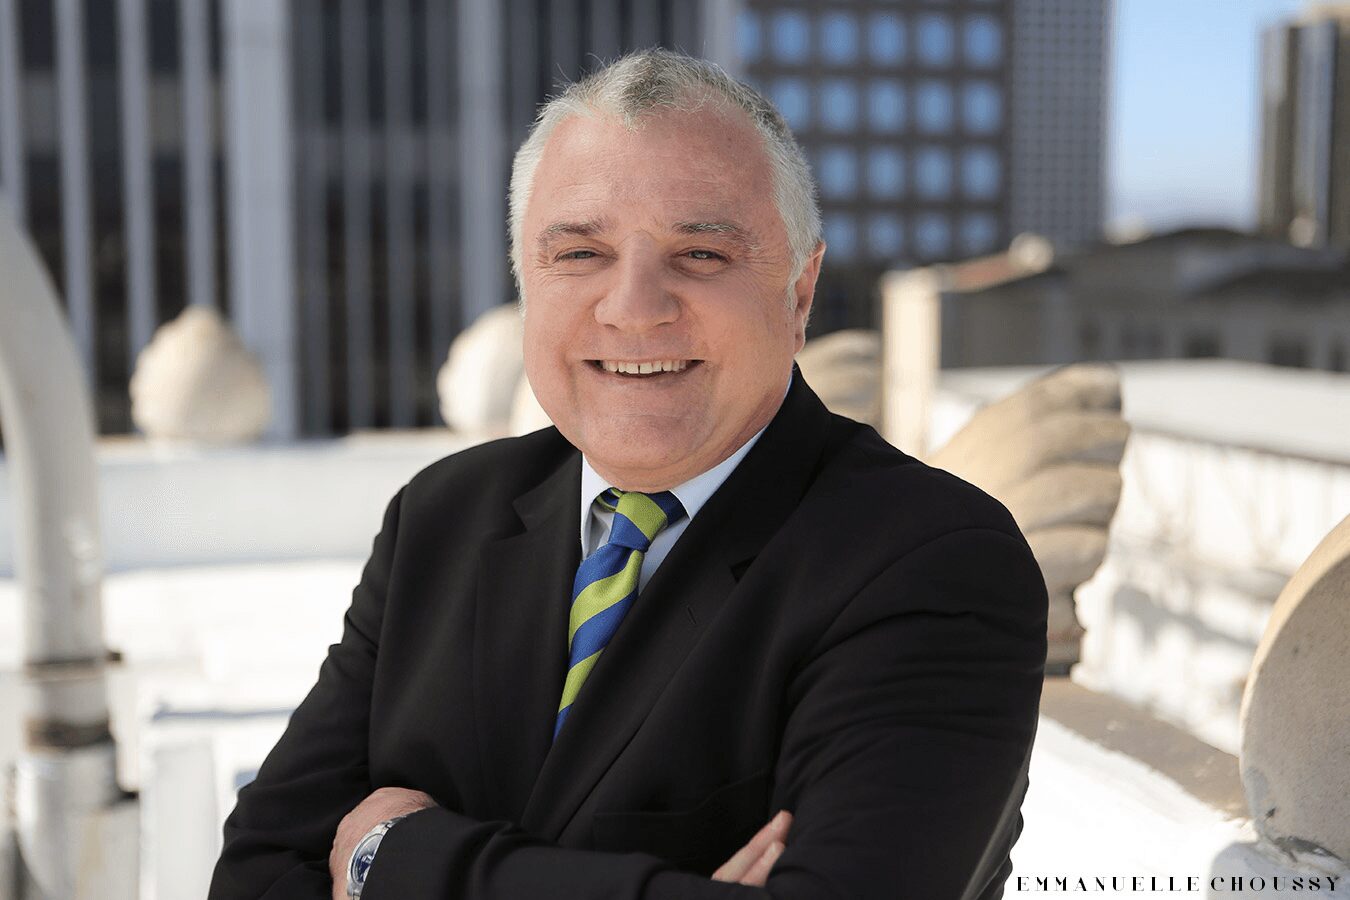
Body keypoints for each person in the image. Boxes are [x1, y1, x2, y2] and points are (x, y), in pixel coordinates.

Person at [209, 49, 1047, 900]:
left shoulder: (931, 560)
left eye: (702, 254)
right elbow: (254, 874)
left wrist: (391, 859)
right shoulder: (442, 516)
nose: (635, 308)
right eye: (580, 254)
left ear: (799, 295)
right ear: (525, 283)